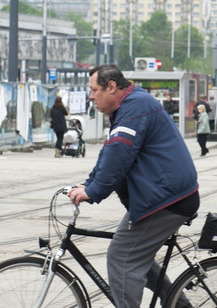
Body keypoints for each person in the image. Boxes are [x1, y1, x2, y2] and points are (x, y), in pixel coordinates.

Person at [67, 65, 199, 308]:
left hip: (168, 199)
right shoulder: (129, 107)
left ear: (111, 87)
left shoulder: (136, 107)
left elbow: (119, 152)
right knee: (139, 255)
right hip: (163, 196)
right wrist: (89, 183)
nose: (91, 96)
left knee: (121, 256)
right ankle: (180, 305)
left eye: (94, 90)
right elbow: (110, 152)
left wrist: (94, 192)